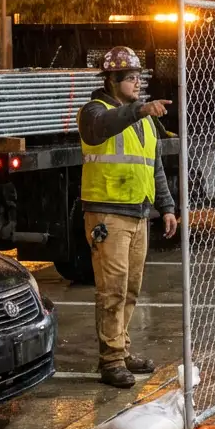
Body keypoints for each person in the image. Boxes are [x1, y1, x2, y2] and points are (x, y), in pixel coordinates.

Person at [78, 46, 179, 388]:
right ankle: (110, 360)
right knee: (112, 290)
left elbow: (154, 166)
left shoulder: (143, 118)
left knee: (130, 289)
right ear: (112, 79)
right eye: (131, 78)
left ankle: (121, 348)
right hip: (108, 214)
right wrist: (138, 110)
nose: (138, 83)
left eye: (139, 77)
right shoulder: (94, 111)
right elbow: (100, 128)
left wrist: (166, 207)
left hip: (137, 212)